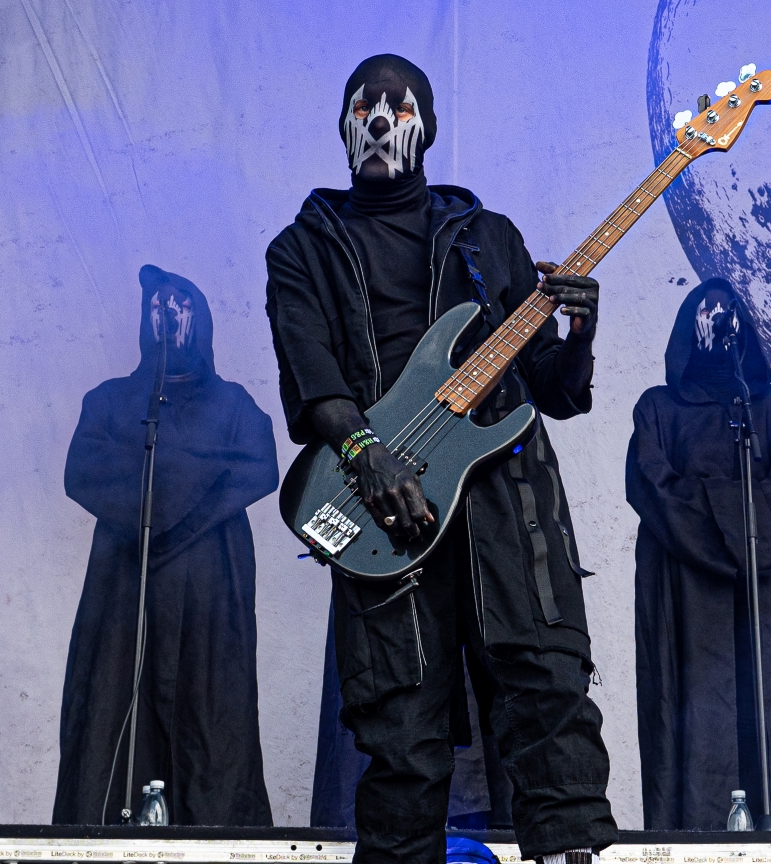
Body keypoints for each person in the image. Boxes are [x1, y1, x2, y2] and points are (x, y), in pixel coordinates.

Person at [264, 55, 617, 863]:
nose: (378, 119)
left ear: (427, 127)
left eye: (398, 107)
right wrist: (367, 453)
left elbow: (554, 392)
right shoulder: (302, 249)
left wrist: (580, 335)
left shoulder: (488, 239)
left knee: (549, 697)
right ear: (342, 122)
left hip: (510, 505)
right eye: (364, 104)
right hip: (382, 507)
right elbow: (311, 371)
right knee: (401, 737)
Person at [53, 265, 279, 826]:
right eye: (156, 306)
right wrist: (197, 478)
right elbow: (83, 471)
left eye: (180, 306)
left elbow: (259, 467)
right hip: (124, 587)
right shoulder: (108, 401)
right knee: (112, 705)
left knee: (211, 716)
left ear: (201, 320)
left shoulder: (234, 405)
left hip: (211, 590)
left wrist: (174, 510)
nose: (167, 316)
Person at [625, 278, 771, 831]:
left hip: (764, 591)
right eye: (706, 312)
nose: (717, 321)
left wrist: (725, 519)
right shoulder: (658, 409)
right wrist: (739, 520)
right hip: (685, 591)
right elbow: (651, 485)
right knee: (690, 717)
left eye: (727, 313)